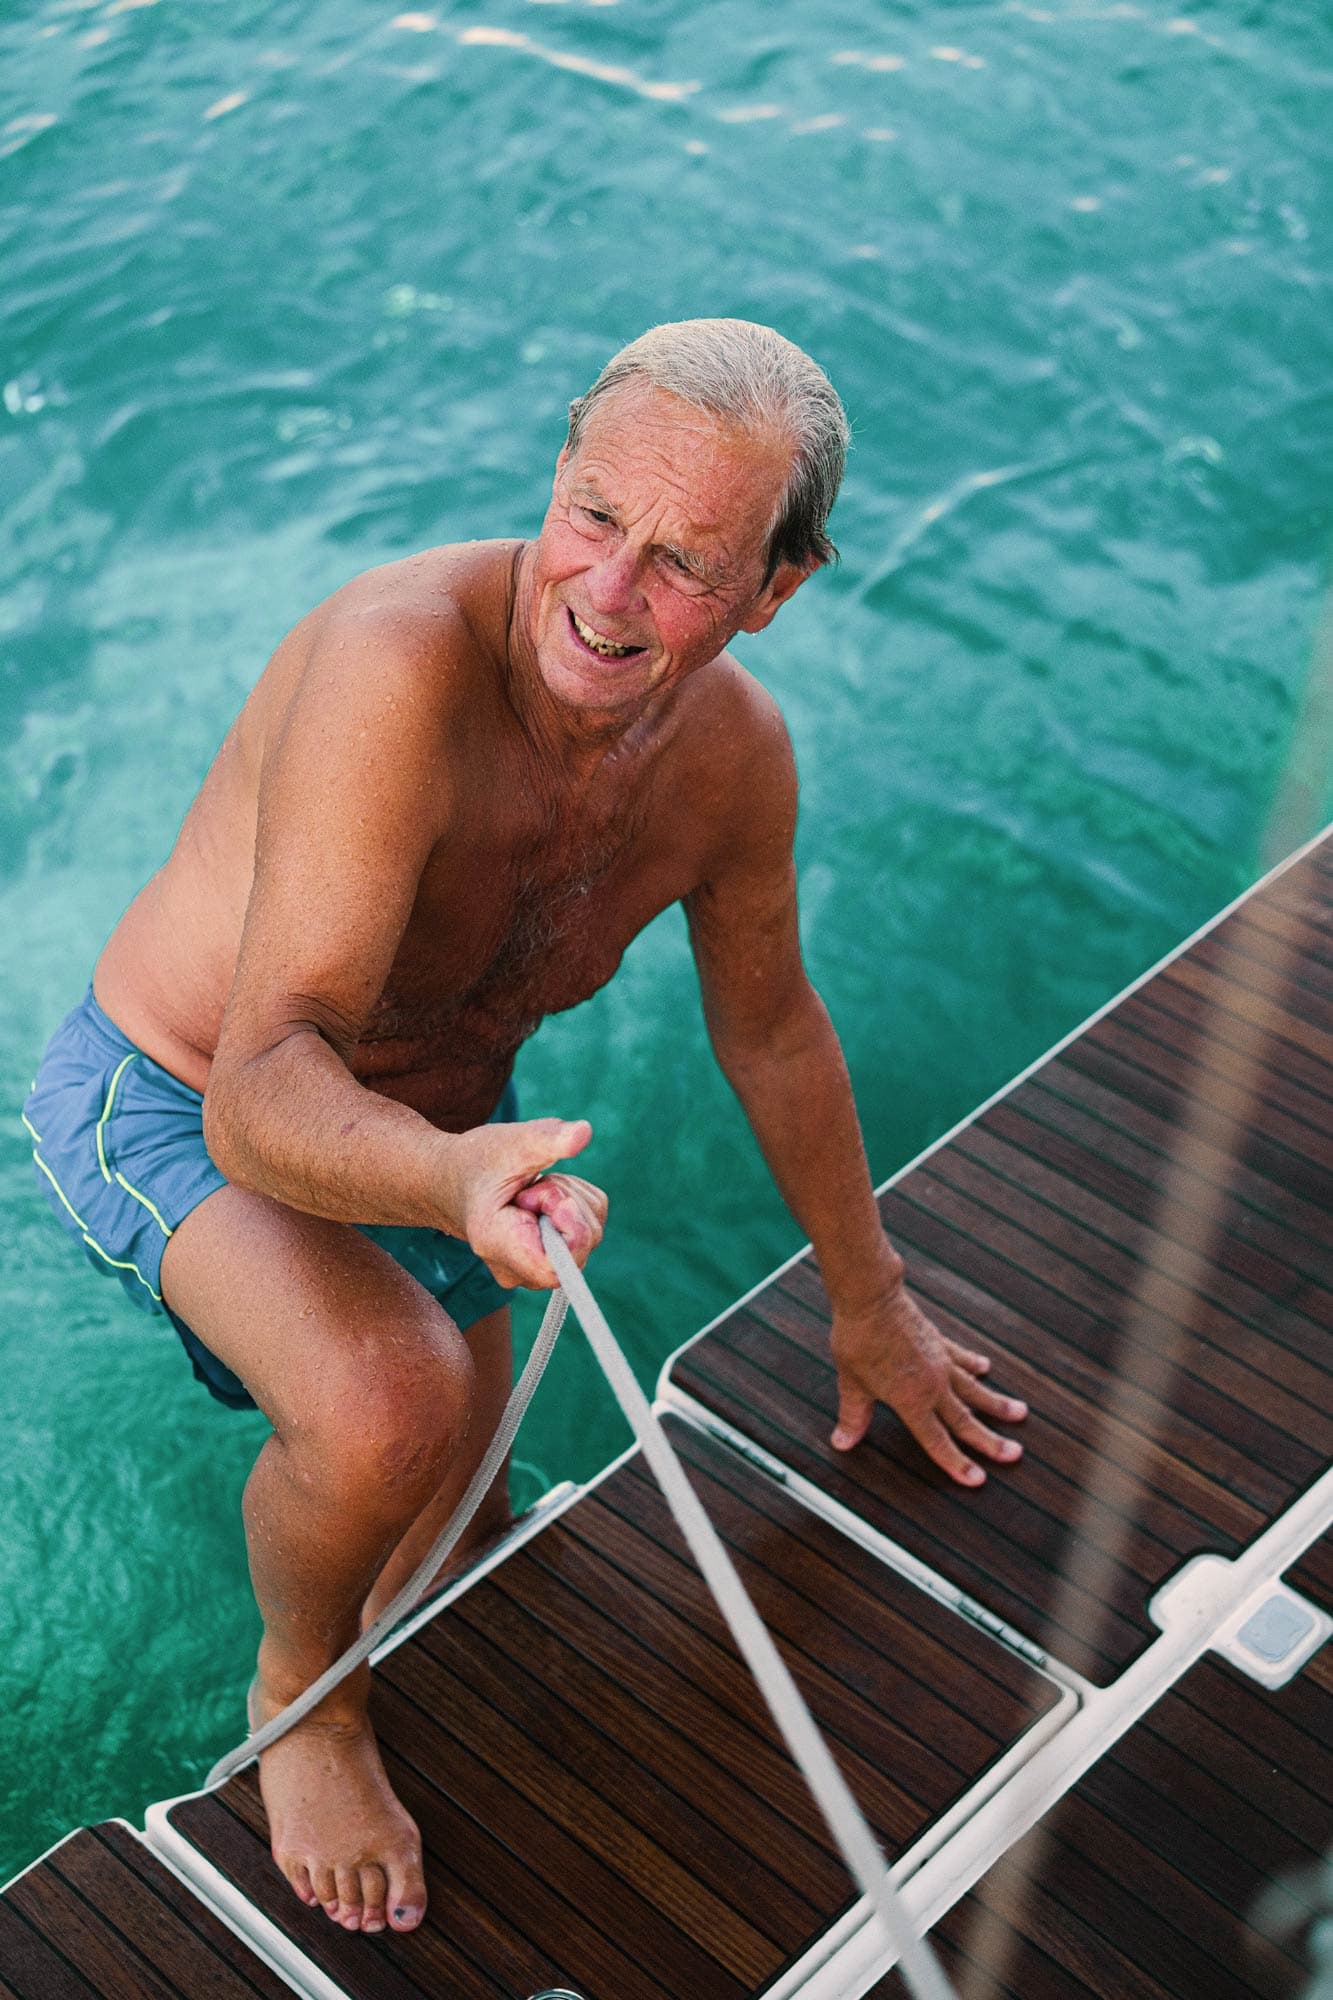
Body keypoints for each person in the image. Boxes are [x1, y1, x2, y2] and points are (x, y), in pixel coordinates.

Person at [23, 318, 1027, 1939]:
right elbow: (264, 1078)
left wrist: (871, 1302)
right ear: (556, 468)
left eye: (687, 562)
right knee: (394, 1402)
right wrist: (444, 1176)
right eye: (592, 516)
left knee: (468, 1521)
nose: (610, 590)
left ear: (779, 586)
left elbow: (770, 1032)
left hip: (438, 1133)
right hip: (181, 1093)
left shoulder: (734, 766)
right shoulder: (398, 671)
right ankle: (301, 1698)